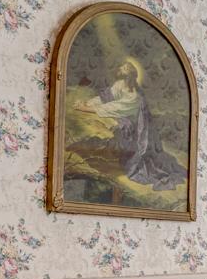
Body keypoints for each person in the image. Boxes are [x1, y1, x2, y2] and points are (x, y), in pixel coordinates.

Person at [77, 57, 184, 190]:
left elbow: (113, 107)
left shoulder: (135, 97)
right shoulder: (120, 84)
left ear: (130, 76)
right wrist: (88, 103)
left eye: (125, 73)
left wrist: (86, 108)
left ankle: (121, 156)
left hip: (136, 126)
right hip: (122, 115)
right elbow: (105, 98)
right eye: (123, 73)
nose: (122, 75)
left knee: (121, 133)